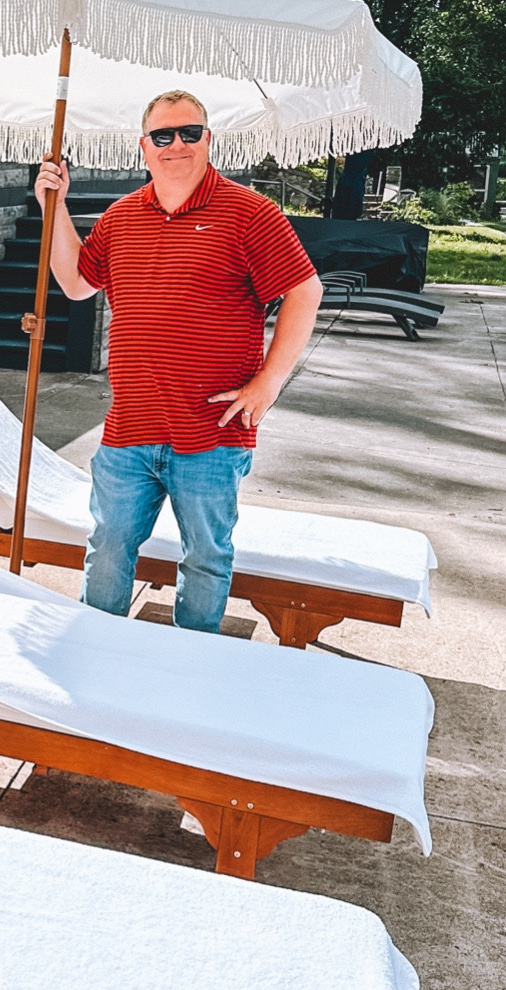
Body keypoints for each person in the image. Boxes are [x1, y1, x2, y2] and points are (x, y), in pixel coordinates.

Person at [35, 91, 323, 633]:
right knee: (107, 550)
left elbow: (305, 291)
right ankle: (99, 652)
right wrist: (56, 207)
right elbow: (75, 283)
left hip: (213, 432)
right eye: (163, 136)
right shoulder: (122, 217)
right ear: (144, 147)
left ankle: (194, 669)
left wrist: (268, 385)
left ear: (209, 140)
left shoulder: (250, 213)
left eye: (189, 133)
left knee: (206, 559)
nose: (176, 145)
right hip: (129, 429)